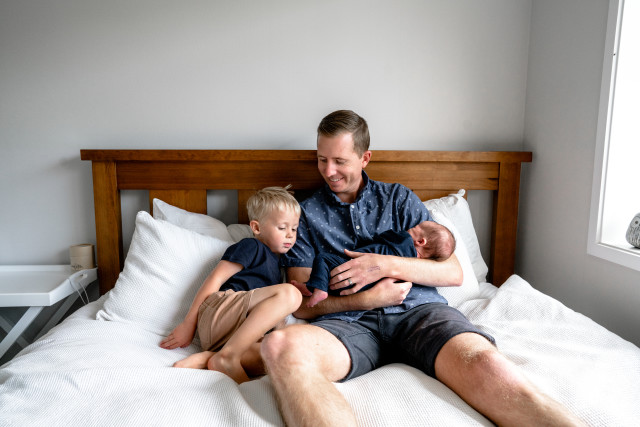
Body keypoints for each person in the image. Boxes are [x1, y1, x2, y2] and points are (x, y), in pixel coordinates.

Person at [260, 110, 585, 426]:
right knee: (279, 346)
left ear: (365, 158)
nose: (329, 171)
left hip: (419, 313)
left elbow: (452, 272)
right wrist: (366, 300)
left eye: (340, 161)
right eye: (322, 159)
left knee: (486, 362)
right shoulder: (304, 215)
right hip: (347, 325)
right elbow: (302, 305)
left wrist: (384, 264)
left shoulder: (398, 200)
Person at [160, 186, 302, 384]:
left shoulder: (278, 266)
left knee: (278, 353)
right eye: (282, 227)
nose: (290, 235)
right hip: (221, 313)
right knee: (291, 295)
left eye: (294, 229)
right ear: (257, 228)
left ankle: (211, 358)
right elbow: (215, 279)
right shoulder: (252, 247)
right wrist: (188, 324)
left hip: (233, 336)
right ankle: (228, 357)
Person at [294, 220, 456, 307]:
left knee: (323, 259)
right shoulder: (414, 268)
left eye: (415, 227)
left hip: (354, 268)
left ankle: (318, 289)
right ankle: (311, 287)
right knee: (335, 279)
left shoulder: (404, 240)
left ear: (421, 241)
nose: (410, 228)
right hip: (371, 288)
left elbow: (385, 236)